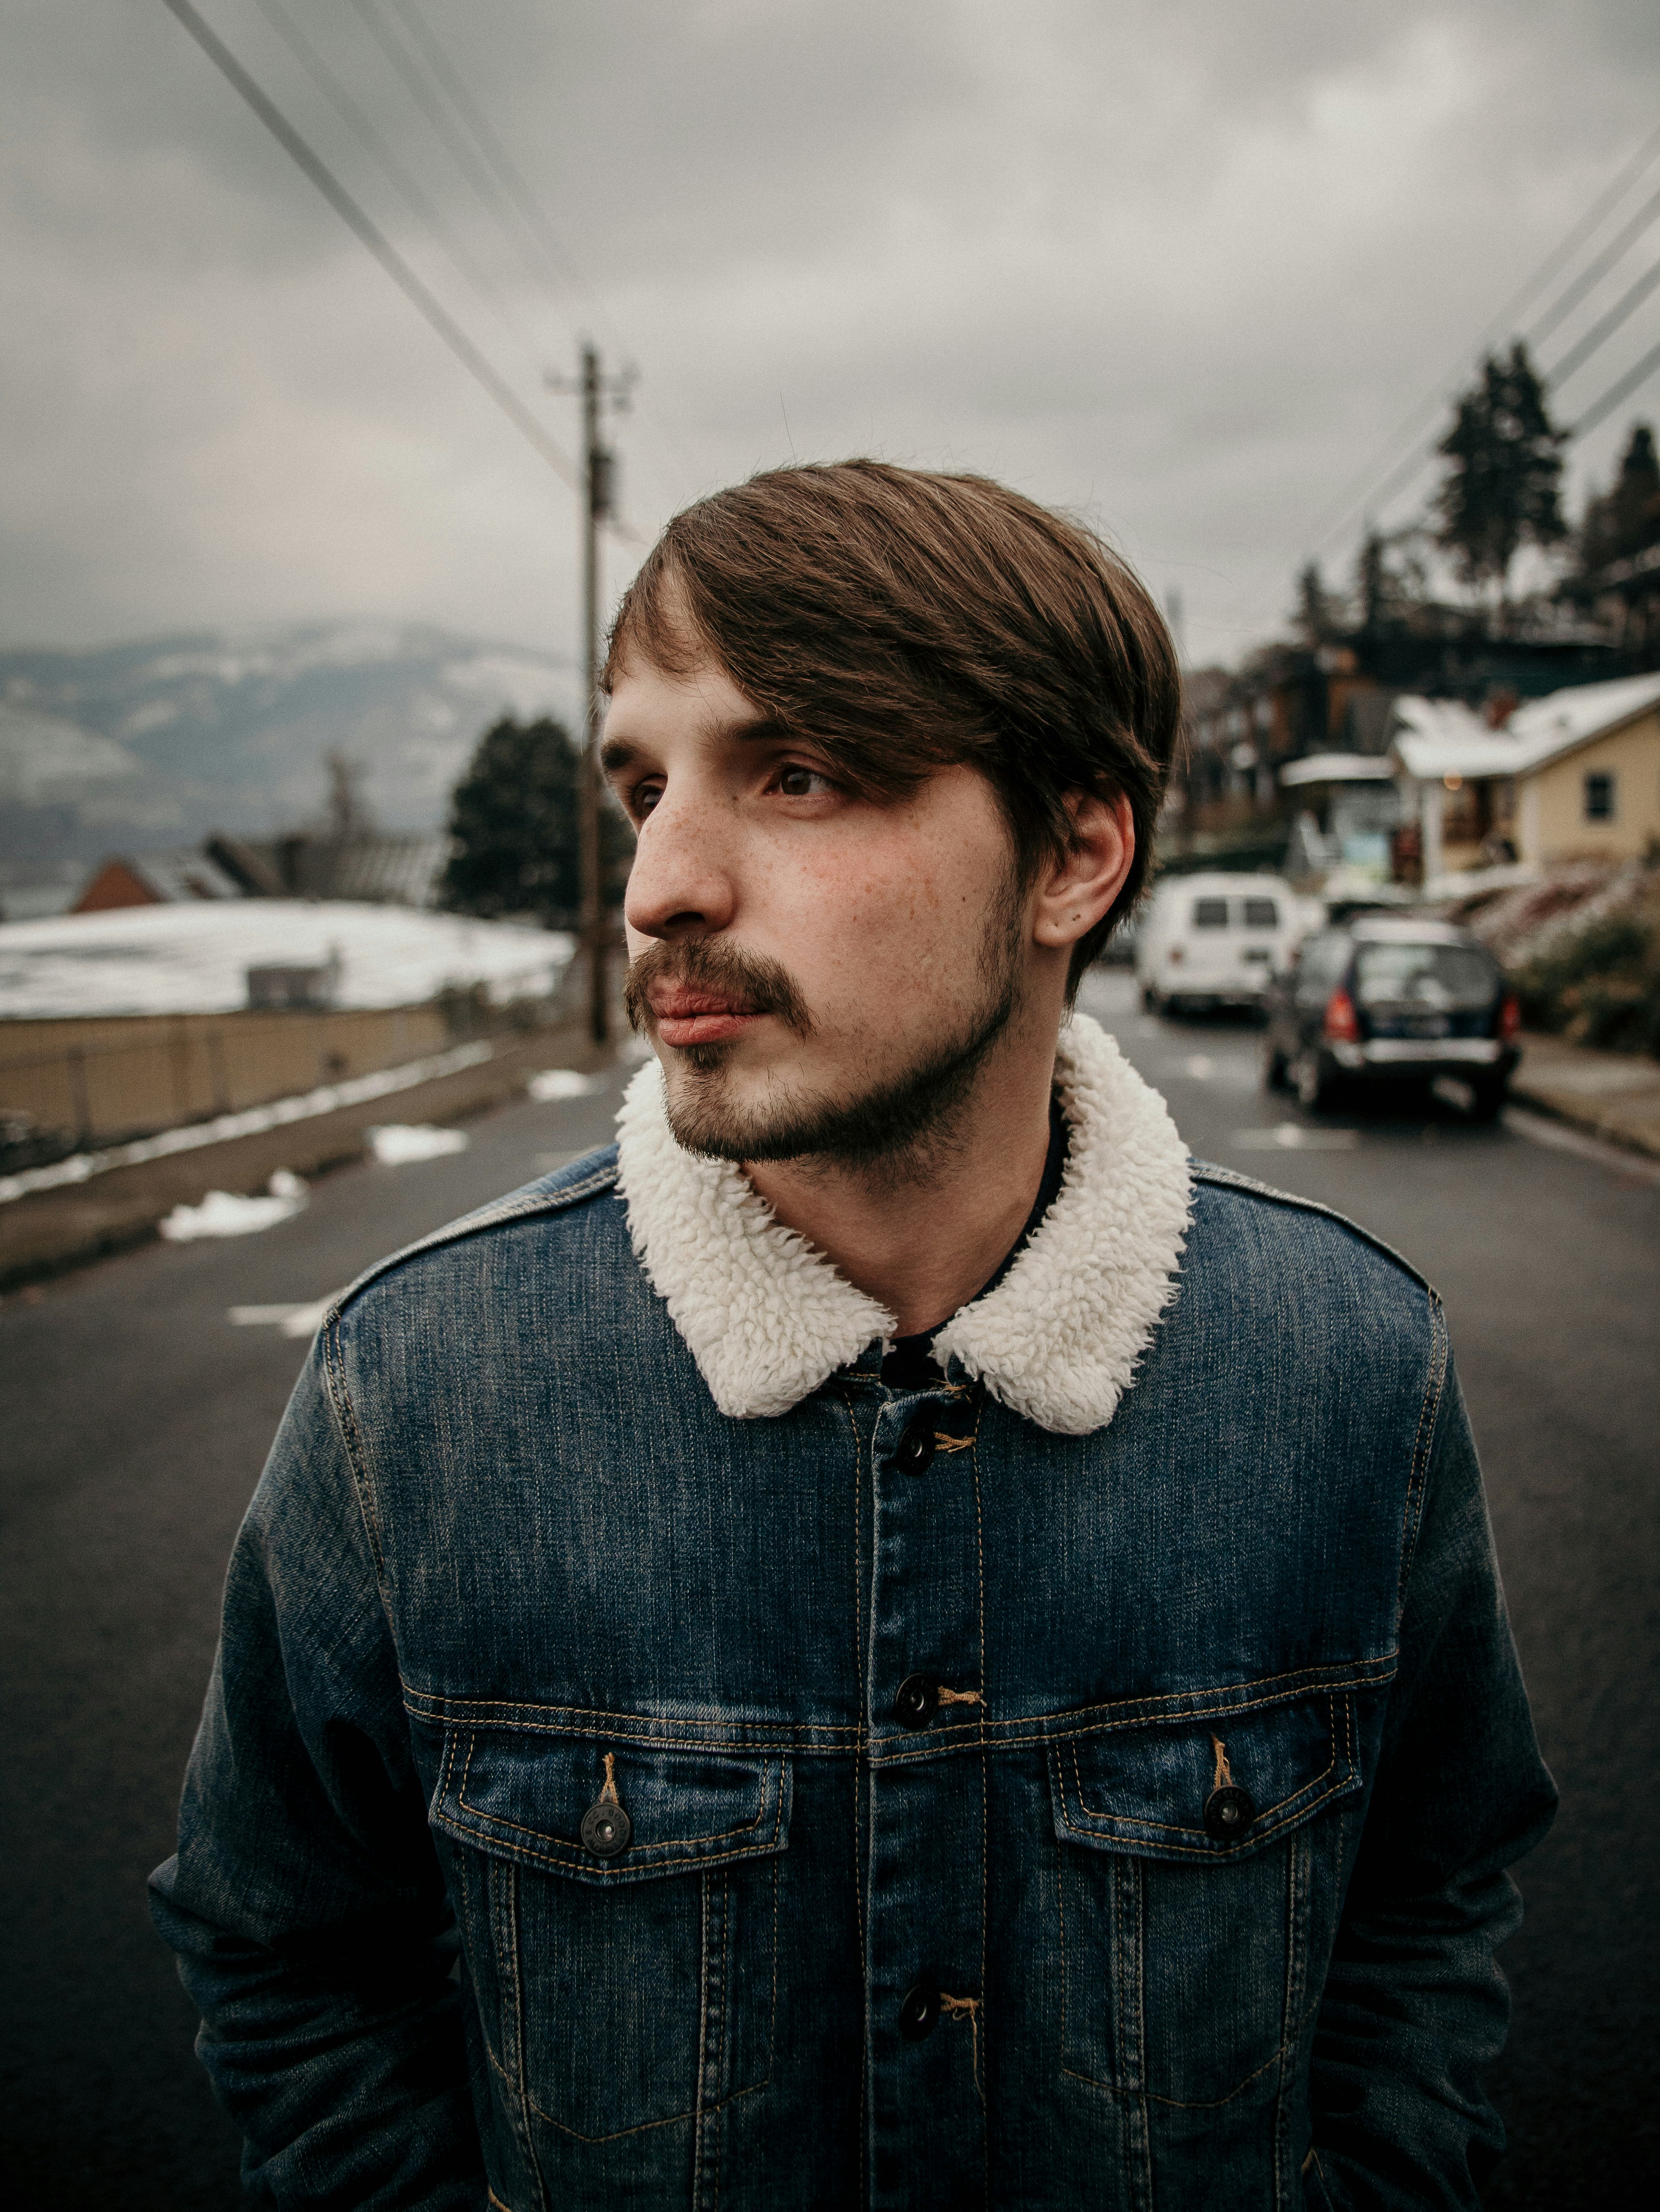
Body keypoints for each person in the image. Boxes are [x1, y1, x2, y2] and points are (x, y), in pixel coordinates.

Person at [151, 462, 1554, 2210]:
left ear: (1075, 855)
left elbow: (1424, 1910)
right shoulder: (421, 1386)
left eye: (796, 774)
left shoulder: (1348, 1372)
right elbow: (288, 1954)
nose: (659, 883)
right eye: (643, 786)